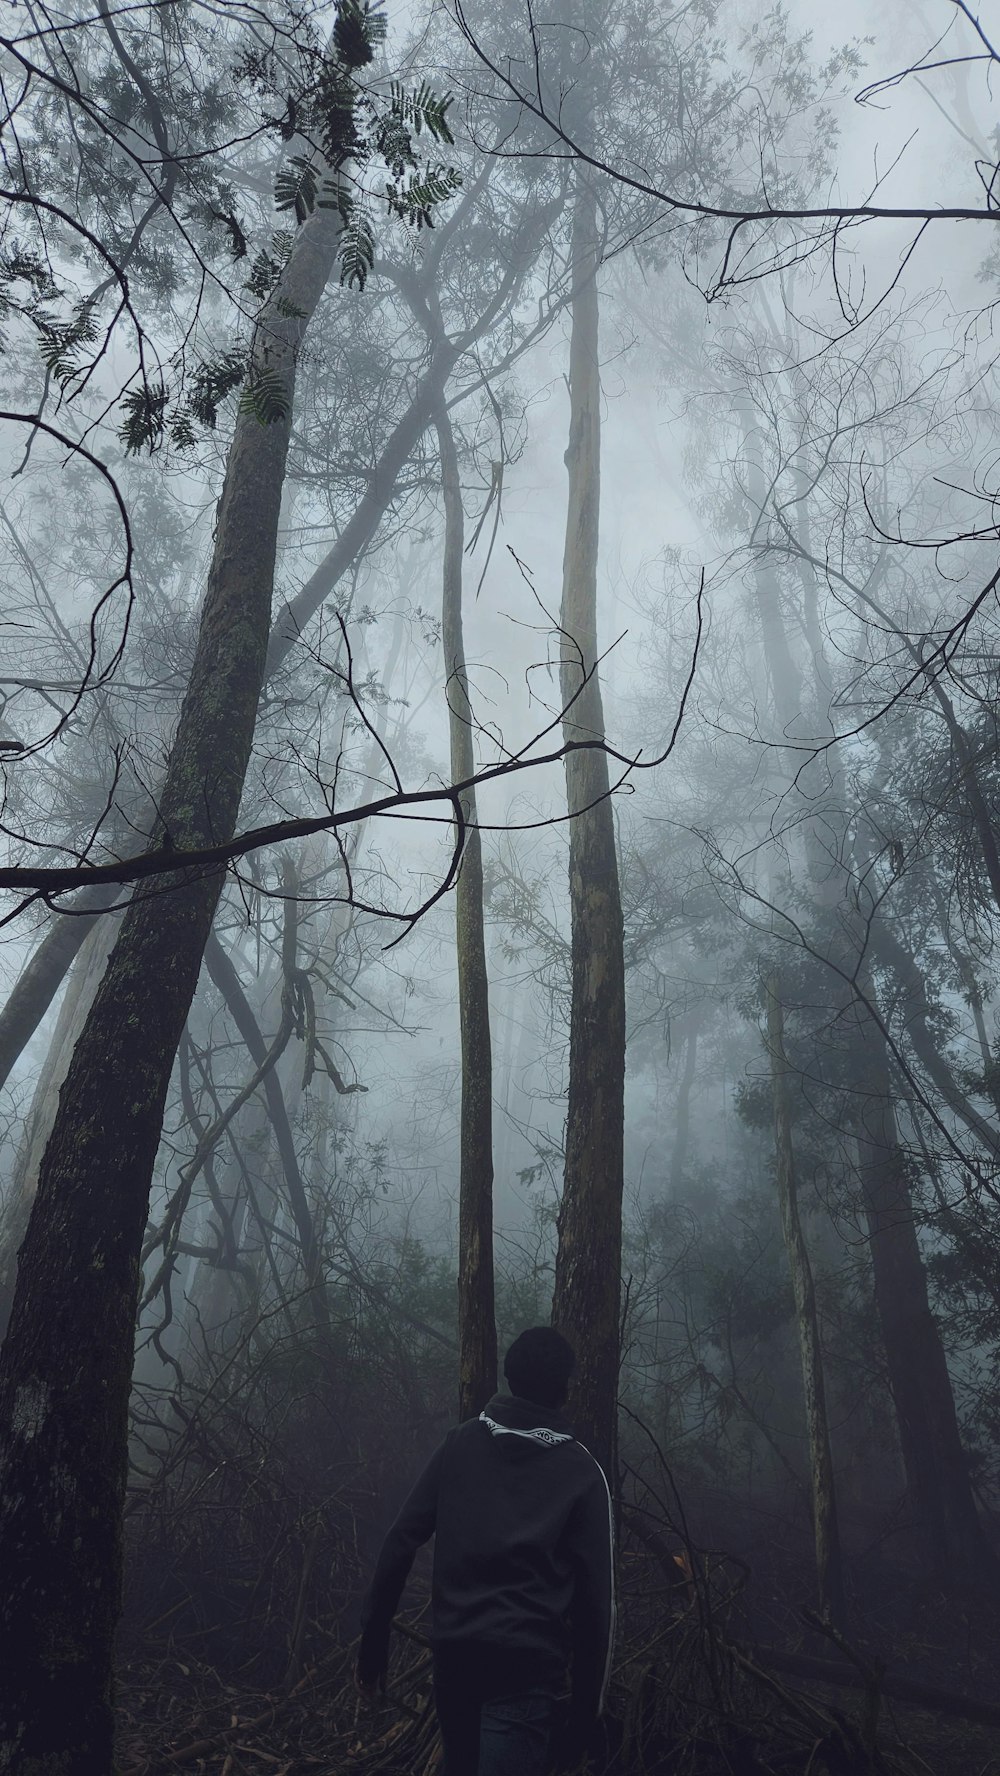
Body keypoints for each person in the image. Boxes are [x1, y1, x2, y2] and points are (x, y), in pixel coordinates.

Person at [355, 1326, 615, 1775]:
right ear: (565, 1390)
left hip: (455, 1662)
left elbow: (401, 1539)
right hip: (525, 1673)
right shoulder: (583, 1473)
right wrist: (585, 1715)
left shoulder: (459, 1444)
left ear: (510, 1378)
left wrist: (374, 1641)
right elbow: (597, 1607)